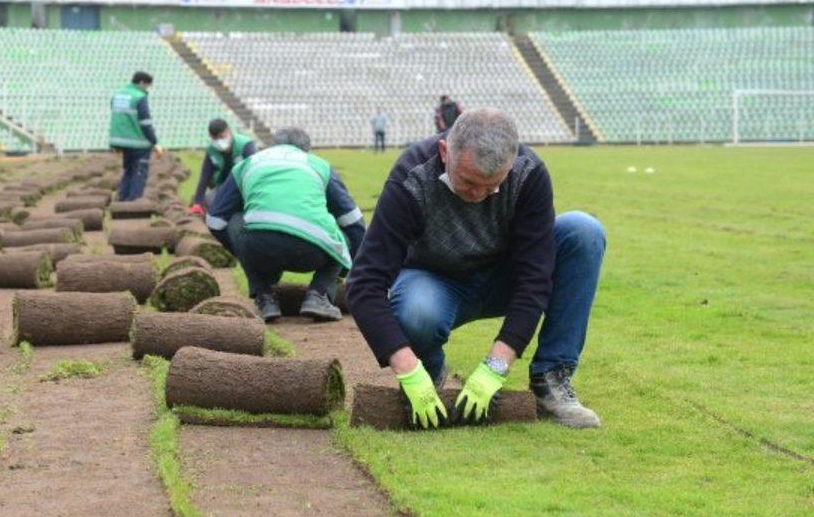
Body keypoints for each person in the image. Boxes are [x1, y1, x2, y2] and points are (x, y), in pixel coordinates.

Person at [347, 108, 605, 429]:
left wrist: (496, 366)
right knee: (416, 313)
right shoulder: (413, 176)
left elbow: (534, 278)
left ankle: (549, 379)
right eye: (468, 181)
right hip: (435, 282)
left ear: (509, 165)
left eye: (492, 185)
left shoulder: (528, 173)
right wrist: (407, 369)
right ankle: (429, 369)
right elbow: (364, 282)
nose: (478, 194)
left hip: (502, 279)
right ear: (445, 152)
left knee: (583, 231)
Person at [206, 128, 366, 323]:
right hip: (313, 251)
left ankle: (265, 297)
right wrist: (355, 267)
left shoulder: (248, 163)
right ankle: (319, 294)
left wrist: (245, 255)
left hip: (258, 247)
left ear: (274, 146)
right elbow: (353, 221)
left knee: (236, 220)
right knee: (343, 233)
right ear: (306, 150)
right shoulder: (319, 165)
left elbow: (215, 221)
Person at [108, 71, 163, 202]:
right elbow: (145, 123)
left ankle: (122, 200)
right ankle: (133, 203)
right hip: (138, 142)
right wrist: (155, 142)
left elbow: (117, 117)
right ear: (142, 82)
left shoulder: (117, 95)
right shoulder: (139, 96)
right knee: (139, 172)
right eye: (147, 86)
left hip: (120, 141)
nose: (147, 89)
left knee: (128, 170)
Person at [188, 118, 257, 214]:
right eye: (215, 139)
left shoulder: (246, 145)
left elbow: (255, 171)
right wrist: (197, 202)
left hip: (244, 185)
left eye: (221, 136)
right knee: (210, 202)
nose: (219, 141)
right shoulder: (212, 151)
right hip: (223, 186)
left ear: (229, 131)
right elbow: (205, 175)